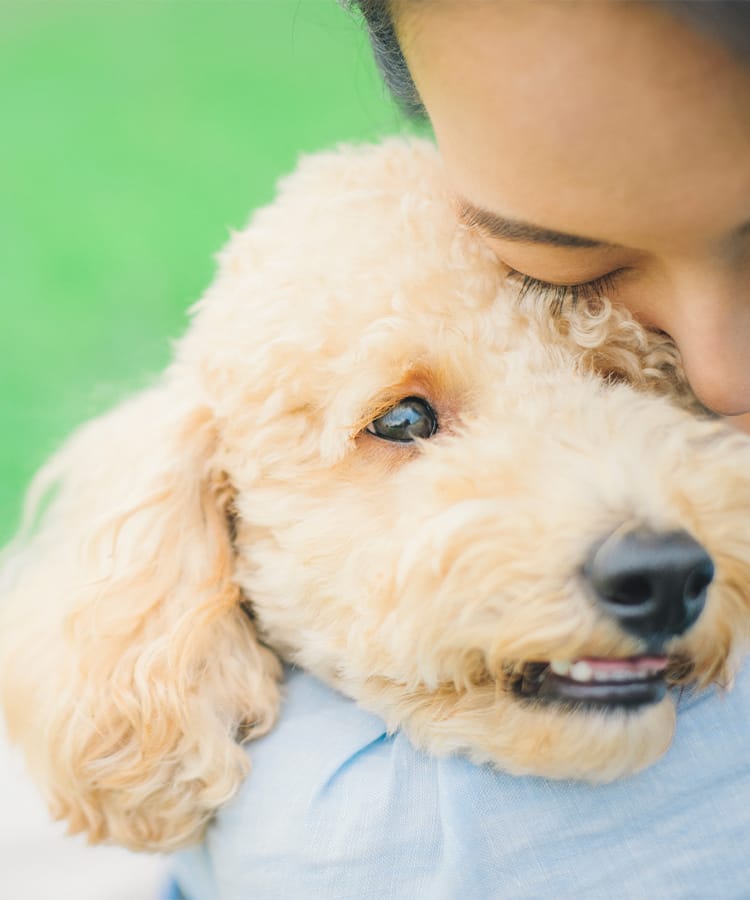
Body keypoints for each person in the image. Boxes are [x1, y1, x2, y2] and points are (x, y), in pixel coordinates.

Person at [169, 3, 750, 896]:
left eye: (629, 383)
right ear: (222, 504)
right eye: (402, 422)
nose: (718, 383)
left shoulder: (347, 839)